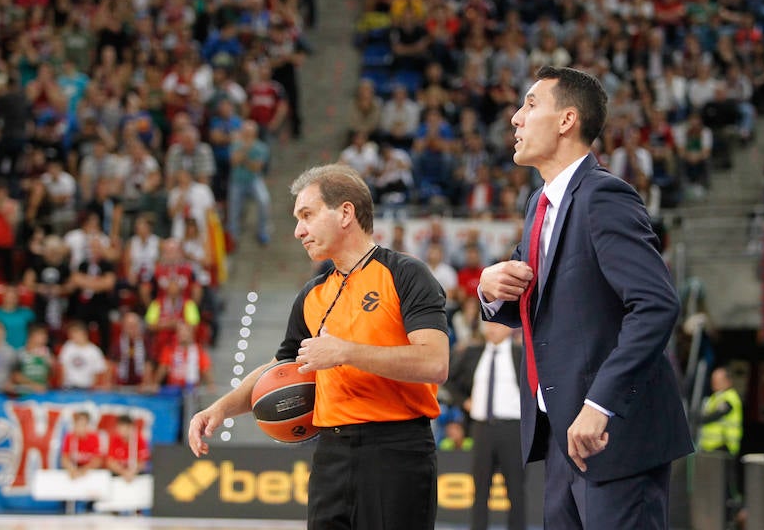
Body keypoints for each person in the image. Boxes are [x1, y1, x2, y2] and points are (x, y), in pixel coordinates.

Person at [478, 66, 693, 529]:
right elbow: (534, 307)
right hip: (564, 436)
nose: (515, 118)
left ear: (566, 120)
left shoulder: (605, 196)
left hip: (613, 435)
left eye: (530, 104)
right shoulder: (539, 204)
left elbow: (656, 304)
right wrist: (490, 289)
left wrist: (600, 406)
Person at [188, 164, 449, 530]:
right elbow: (280, 368)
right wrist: (220, 409)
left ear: (345, 212)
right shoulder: (312, 295)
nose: (298, 230)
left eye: (307, 215)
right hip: (331, 454)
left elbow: (435, 362)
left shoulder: (406, 274)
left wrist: (345, 352)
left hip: (397, 450)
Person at [446, 320, 525, 530]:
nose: (492, 329)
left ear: (509, 327)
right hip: (481, 429)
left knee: (516, 489)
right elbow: (448, 379)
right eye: (488, 325)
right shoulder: (472, 353)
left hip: (513, 429)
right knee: (480, 489)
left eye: (497, 325)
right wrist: (463, 401)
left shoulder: (521, 355)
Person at [698, 367, 743, 456]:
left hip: (723, 447)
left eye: (717, 380)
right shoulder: (714, 397)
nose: (713, 383)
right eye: (713, 379)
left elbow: (713, 416)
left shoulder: (730, 397)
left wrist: (699, 418)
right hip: (709, 448)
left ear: (727, 381)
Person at [105, 414, 151, 482]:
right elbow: (110, 462)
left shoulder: (139, 440)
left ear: (131, 427)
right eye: (120, 427)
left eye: (125, 428)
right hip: (119, 475)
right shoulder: (114, 439)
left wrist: (132, 472)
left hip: (136, 476)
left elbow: (143, 462)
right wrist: (124, 472)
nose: (122, 431)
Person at [60, 411, 103, 479]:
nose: (80, 428)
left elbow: (98, 461)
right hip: (74, 469)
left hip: (89, 471)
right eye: (78, 424)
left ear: (87, 425)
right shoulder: (70, 437)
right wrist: (71, 469)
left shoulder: (94, 437)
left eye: (83, 425)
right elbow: (64, 459)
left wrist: (84, 470)